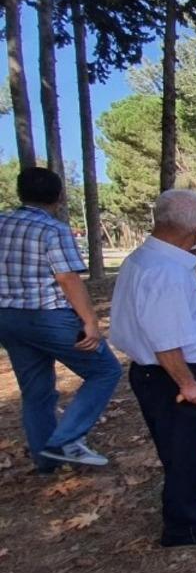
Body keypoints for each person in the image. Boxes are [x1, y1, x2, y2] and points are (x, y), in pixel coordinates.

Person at [109, 190, 196, 547]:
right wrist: (188, 384)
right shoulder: (164, 272)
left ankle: (187, 501)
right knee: (185, 447)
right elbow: (165, 339)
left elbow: (192, 292)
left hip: (159, 373)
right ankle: (183, 526)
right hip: (172, 375)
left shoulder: (151, 258)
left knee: (180, 448)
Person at [0, 167, 122, 471]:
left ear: (20, 193)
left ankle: (46, 461)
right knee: (105, 371)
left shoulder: (2, 223)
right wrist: (90, 322)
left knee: (36, 390)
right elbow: (67, 277)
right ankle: (66, 439)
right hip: (49, 316)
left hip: (8, 318)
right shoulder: (53, 229)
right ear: (59, 196)